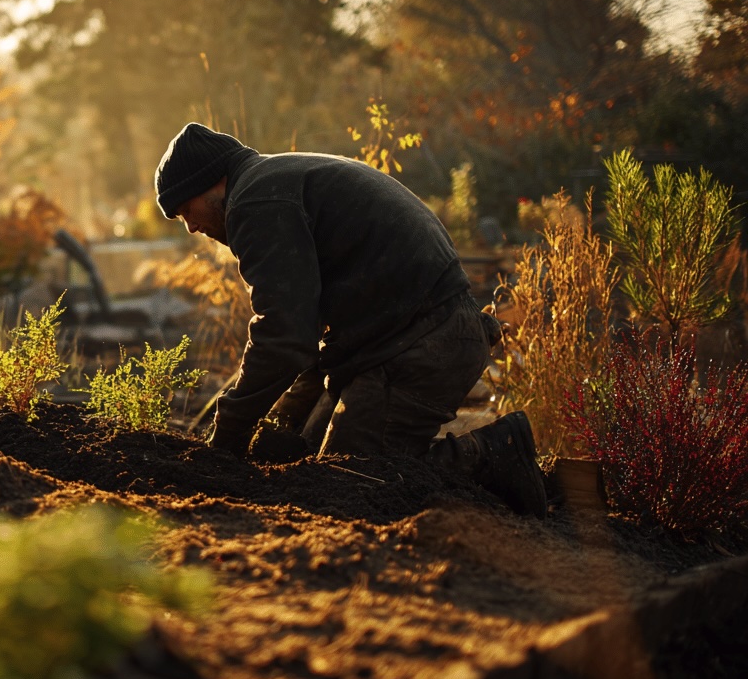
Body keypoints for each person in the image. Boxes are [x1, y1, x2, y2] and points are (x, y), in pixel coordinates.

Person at [154, 122, 548, 517]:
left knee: (352, 480)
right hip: (406, 338)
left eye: (188, 209)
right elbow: (304, 334)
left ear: (214, 182)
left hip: (423, 345)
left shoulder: (257, 202)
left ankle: (495, 450)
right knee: (302, 453)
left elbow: (283, 336)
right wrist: (282, 420)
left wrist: (229, 429)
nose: (191, 227)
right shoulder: (274, 178)